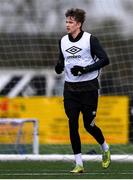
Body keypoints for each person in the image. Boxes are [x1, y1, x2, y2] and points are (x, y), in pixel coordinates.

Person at [55, 8, 111, 173]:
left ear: (79, 24)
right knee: (72, 124)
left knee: (89, 125)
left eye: (71, 22)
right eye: (66, 21)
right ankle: (79, 164)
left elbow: (105, 59)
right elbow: (60, 61)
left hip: (89, 89)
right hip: (70, 89)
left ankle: (105, 148)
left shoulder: (90, 40)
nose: (67, 24)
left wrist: (85, 69)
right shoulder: (63, 41)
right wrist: (58, 66)